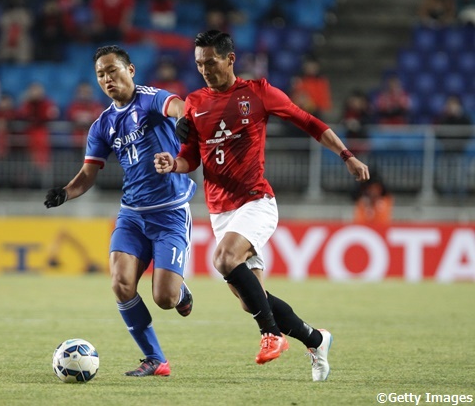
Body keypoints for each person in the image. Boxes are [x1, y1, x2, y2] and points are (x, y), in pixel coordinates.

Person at [154, 30, 370, 381]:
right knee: (250, 300)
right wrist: (171, 163)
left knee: (224, 258)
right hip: (220, 211)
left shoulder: (258, 93)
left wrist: (346, 155)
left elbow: (309, 122)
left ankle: (271, 336)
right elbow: (190, 157)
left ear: (230, 59)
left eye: (210, 62)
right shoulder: (194, 103)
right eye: (198, 64)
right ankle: (316, 339)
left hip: (256, 201)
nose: (205, 69)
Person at [44, 45, 196, 377]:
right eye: (101, 74)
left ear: (130, 70)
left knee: (165, 298)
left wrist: (184, 120)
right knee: (120, 283)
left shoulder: (150, 98)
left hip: (170, 212)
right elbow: (87, 176)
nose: (107, 78)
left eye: (113, 70)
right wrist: (64, 193)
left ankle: (181, 293)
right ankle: (155, 359)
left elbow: (176, 104)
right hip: (132, 215)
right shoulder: (102, 125)